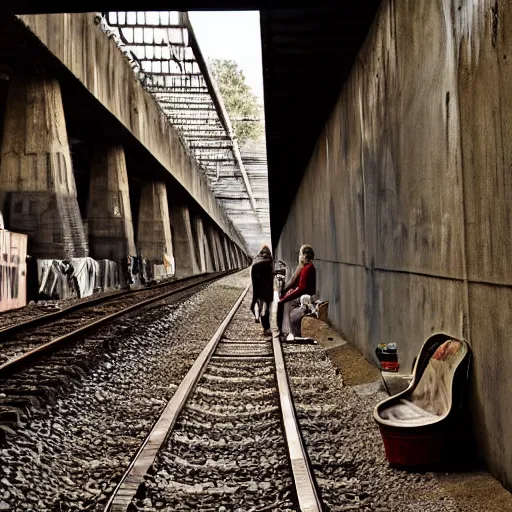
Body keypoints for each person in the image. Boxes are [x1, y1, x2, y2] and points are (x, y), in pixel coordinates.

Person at [277, 244, 316, 338]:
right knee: (282, 300)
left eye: (300, 254)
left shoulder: (307, 268)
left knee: (281, 302)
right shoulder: (306, 267)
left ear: (305, 255)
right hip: (304, 294)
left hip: (304, 297)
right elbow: (296, 284)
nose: (299, 257)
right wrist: (290, 290)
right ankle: (284, 330)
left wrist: (286, 297)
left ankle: (282, 331)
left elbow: (301, 288)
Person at [250, 245, 274, 336]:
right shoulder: (268, 262)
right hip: (266, 289)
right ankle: (266, 328)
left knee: (261, 306)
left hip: (259, 288)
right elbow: (269, 275)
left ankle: (259, 318)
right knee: (265, 309)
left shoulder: (256, 261)